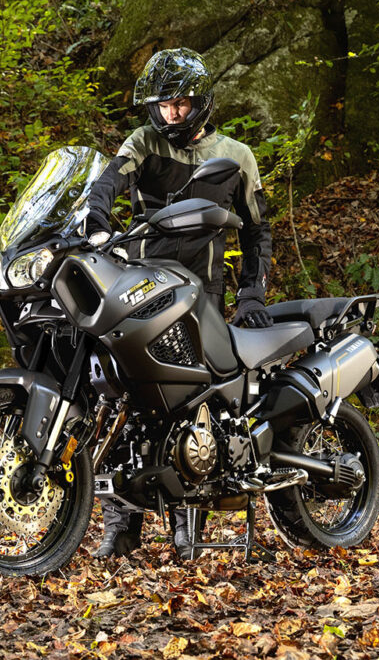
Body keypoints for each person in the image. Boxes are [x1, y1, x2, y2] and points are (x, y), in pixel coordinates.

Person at [85, 47, 274, 558]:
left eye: (181, 103)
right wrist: (96, 217)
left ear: (200, 102)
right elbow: (107, 182)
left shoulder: (236, 156)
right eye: (163, 103)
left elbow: (258, 231)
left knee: (199, 404)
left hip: (203, 288)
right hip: (141, 287)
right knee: (116, 396)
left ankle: (189, 526)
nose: (171, 111)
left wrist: (252, 292)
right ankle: (120, 524)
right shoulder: (142, 142)